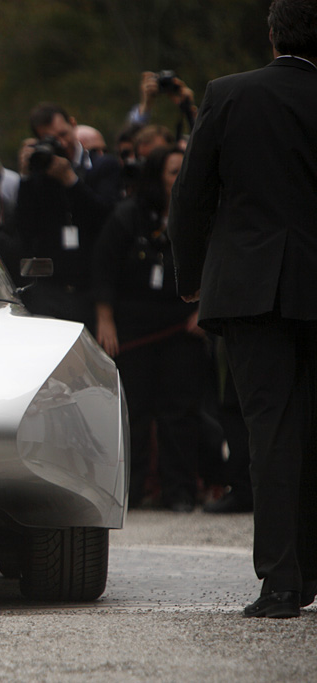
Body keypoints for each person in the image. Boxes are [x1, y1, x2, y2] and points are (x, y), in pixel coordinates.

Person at [168, 0, 317, 618]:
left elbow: (192, 194)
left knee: (272, 434)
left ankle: (283, 581)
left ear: (273, 34)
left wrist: (190, 276)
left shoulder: (228, 95)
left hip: (253, 289)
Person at [93, 146, 208, 512]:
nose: (179, 180)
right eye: (174, 173)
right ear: (157, 176)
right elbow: (103, 270)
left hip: (181, 327)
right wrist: (105, 321)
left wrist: (205, 309)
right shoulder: (128, 216)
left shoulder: (200, 217)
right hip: (134, 328)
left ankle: (180, 491)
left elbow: (216, 265)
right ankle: (132, 489)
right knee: (135, 411)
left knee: (180, 412)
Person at [13, 102, 123, 330]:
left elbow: (105, 216)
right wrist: (25, 177)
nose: (61, 143)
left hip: (92, 282)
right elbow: (24, 227)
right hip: (52, 286)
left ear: (73, 125)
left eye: (63, 134)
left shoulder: (103, 166)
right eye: (50, 138)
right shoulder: (39, 174)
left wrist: (70, 181)